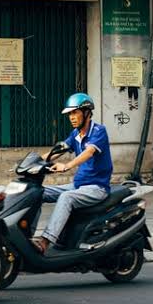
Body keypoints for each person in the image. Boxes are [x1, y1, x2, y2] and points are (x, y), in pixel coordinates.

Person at [32, 93, 113, 255]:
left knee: (66, 197)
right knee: (37, 192)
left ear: (87, 113)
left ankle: (45, 241)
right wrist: (31, 163)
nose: (71, 117)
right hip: (79, 185)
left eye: (75, 112)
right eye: (70, 114)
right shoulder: (75, 135)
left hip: (96, 188)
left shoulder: (98, 131)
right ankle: (27, 236)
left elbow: (89, 152)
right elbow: (57, 152)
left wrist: (67, 165)